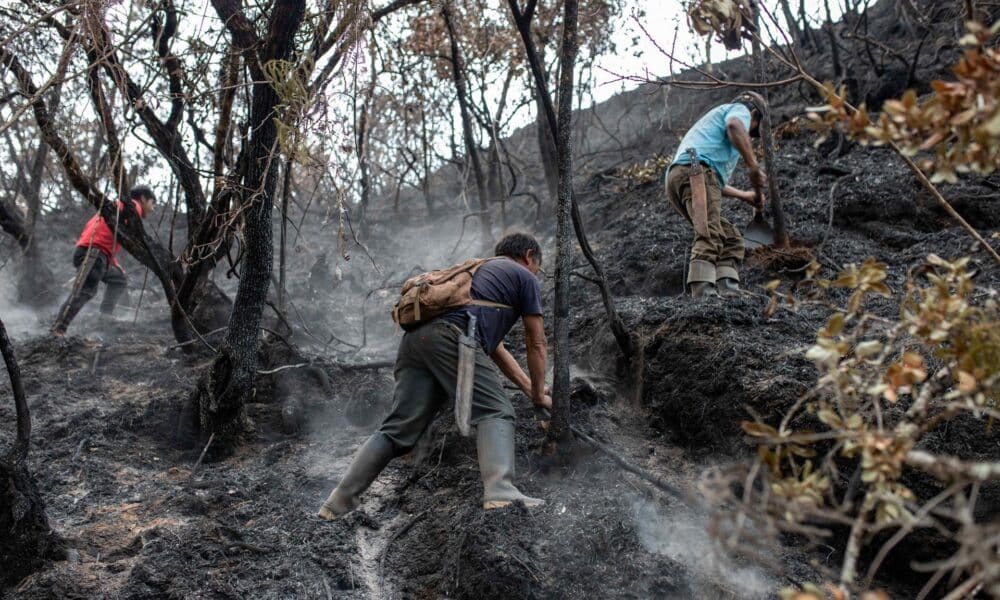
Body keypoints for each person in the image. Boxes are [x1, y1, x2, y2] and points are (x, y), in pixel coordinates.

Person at [318, 232, 552, 519]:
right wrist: (541, 399)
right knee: (496, 410)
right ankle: (501, 492)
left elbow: (497, 351)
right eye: (537, 267)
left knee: (398, 430)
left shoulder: (482, 272)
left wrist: (533, 391)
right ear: (529, 256)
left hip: (417, 341)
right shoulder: (524, 276)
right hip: (450, 338)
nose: (536, 274)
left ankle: (337, 503)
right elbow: (536, 343)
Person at [665, 91, 769, 298]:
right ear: (754, 115)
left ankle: (728, 291)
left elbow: (712, 183)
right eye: (753, 131)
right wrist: (753, 166)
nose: (749, 136)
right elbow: (734, 126)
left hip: (683, 176)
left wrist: (744, 195)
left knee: (730, 238)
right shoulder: (739, 111)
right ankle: (703, 293)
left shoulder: (712, 131)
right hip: (695, 170)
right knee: (709, 232)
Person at [51, 186, 156, 336]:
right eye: (152, 203)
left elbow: (105, 237)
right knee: (86, 290)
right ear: (143, 199)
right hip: (94, 253)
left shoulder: (116, 207)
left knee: (119, 278)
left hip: (97, 253)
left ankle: (105, 315)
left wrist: (115, 264)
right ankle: (59, 328)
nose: (153, 209)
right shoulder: (133, 208)